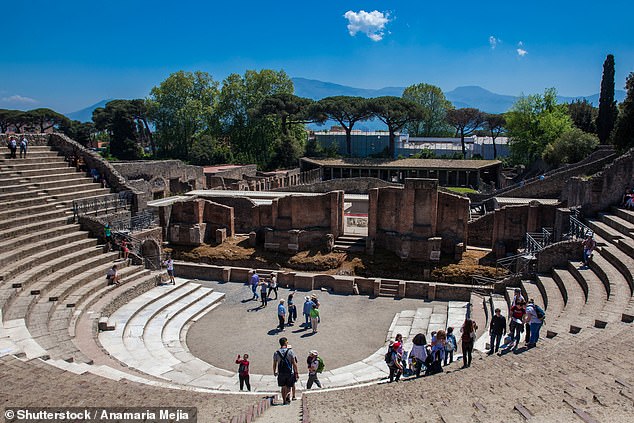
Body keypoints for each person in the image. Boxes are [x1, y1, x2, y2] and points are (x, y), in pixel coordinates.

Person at [273, 337, 298, 405]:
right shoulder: (290, 351)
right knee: (289, 386)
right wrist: (296, 372)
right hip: (289, 371)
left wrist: (274, 371)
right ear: (285, 342)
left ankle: (284, 400)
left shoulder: (276, 353)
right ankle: (288, 395)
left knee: (283, 387)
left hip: (281, 372)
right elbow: (294, 363)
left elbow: (275, 363)